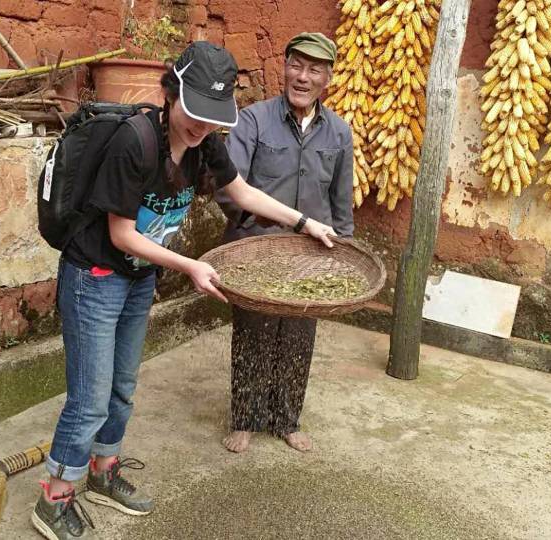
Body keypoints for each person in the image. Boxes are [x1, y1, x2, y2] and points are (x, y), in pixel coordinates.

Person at [31, 41, 337, 540]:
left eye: (212, 117)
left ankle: (103, 470)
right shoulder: (135, 142)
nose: (201, 126)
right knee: (89, 398)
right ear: (171, 92)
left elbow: (241, 192)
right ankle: (55, 497)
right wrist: (192, 266)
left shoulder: (204, 143)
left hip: (135, 278)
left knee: (122, 388)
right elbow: (121, 234)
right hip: (95, 278)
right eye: (194, 113)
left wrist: (304, 222)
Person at [217, 32, 354, 454]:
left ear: (328, 77)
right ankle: (246, 418)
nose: (303, 77)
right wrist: (266, 222)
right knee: (253, 336)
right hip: (256, 250)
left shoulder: (338, 133)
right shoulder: (252, 121)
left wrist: (343, 253)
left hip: (310, 259)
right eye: (296, 65)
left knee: (298, 337)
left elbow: (341, 201)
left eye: (314, 69)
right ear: (284, 67)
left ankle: (286, 418)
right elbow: (227, 188)